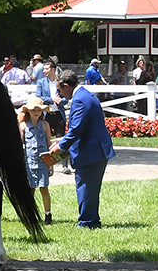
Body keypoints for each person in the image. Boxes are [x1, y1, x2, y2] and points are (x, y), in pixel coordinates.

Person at [49, 70, 115, 228]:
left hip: (92, 151)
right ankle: (90, 219)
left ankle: (88, 222)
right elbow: (82, 127)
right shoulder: (84, 95)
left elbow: (77, 130)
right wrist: (62, 139)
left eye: (59, 89)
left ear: (66, 86)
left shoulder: (80, 99)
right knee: (88, 187)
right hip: (95, 149)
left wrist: (60, 146)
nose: (59, 93)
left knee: (85, 186)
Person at [19, 95, 53, 225]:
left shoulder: (45, 125)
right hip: (28, 161)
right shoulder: (23, 126)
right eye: (33, 110)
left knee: (44, 188)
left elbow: (49, 143)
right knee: (30, 189)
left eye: (39, 110)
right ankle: (30, 214)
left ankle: (48, 214)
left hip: (43, 161)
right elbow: (20, 146)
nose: (36, 112)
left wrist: (51, 164)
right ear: (28, 110)